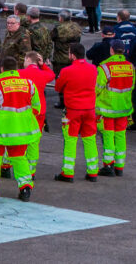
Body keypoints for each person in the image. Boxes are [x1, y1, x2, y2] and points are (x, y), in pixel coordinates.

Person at [0, 56, 41, 204]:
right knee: (20, 158)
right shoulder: (29, 84)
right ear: (16, 69)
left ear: (1, 69)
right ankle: (25, 188)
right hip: (21, 131)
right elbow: (37, 108)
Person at [54, 43, 99, 182]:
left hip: (73, 110)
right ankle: (93, 171)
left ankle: (68, 172)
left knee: (70, 140)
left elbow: (58, 87)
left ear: (72, 55)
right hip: (90, 109)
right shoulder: (93, 69)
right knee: (90, 139)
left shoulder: (67, 70)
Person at [95, 41, 135, 177]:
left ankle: (108, 165)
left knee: (108, 136)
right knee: (120, 136)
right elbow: (132, 85)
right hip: (124, 108)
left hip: (107, 109)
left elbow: (97, 88)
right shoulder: (130, 67)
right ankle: (119, 166)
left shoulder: (105, 68)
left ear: (111, 50)